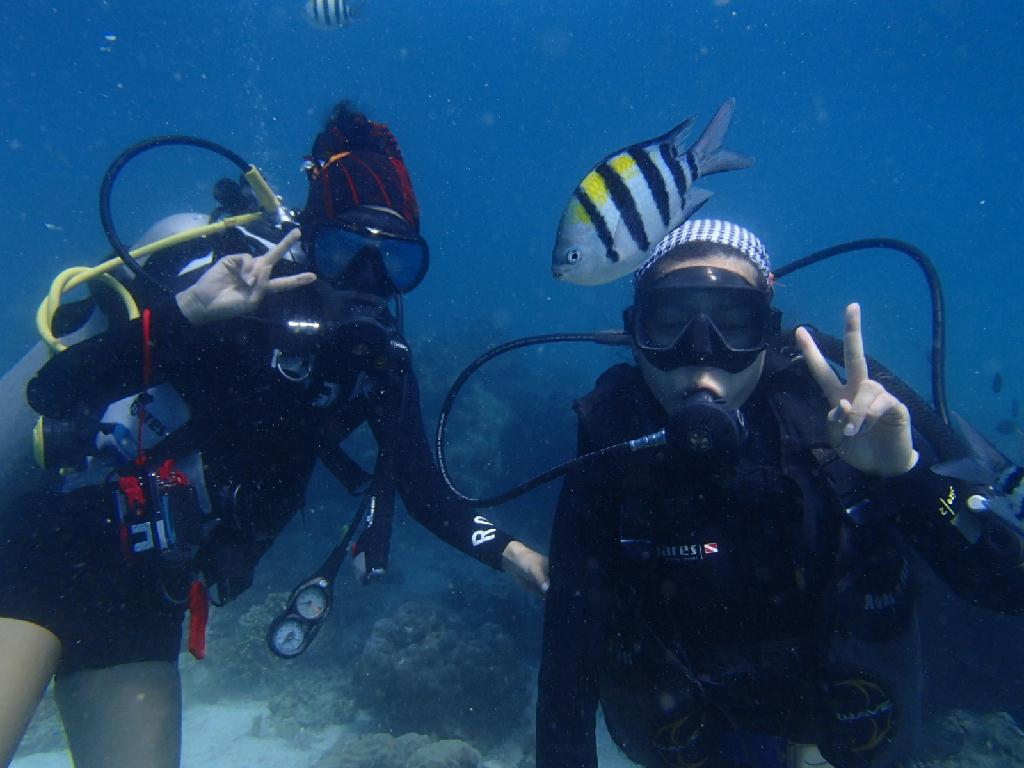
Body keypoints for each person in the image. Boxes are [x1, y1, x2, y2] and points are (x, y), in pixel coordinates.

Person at [0, 102, 547, 768]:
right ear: (311, 242)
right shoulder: (232, 304)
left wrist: (512, 552)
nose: (369, 284)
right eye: (346, 252)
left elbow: (427, 494)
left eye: (395, 263)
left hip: (148, 598)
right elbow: (52, 393)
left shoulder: (378, 363)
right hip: (48, 550)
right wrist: (189, 314)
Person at [536, 219, 1024, 768]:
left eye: (734, 322)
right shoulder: (612, 434)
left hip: (836, 713)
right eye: (669, 322)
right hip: (686, 721)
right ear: (634, 332)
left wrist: (907, 477)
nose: (702, 352)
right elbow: (568, 650)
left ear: (769, 331)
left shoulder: (833, 420)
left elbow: (1006, 588)